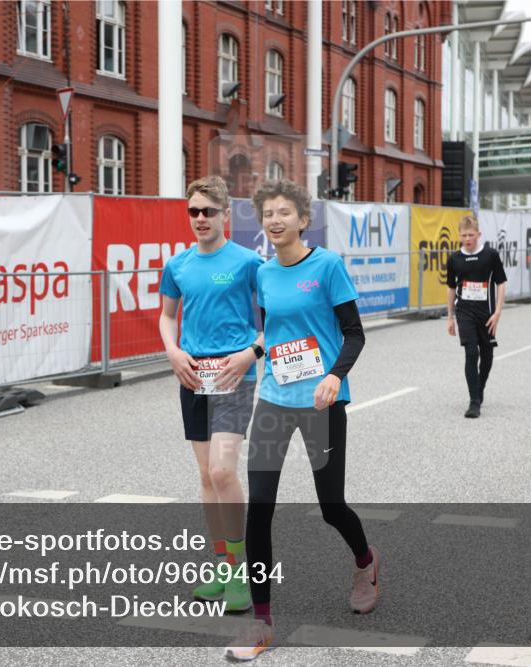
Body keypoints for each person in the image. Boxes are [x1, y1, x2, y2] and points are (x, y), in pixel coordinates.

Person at [225, 179, 379, 661]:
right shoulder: (266, 274)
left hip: (321, 400)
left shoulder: (328, 266)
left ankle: (366, 563)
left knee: (332, 505)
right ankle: (262, 623)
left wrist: (335, 376)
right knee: (261, 508)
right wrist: (251, 353)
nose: (274, 220)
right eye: (267, 213)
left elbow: (354, 334)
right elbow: (273, 331)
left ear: (303, 219)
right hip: (274, 398)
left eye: (284, 212)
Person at [158, 175, 264, 613]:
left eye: (208, 212)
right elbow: (167, 317)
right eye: (193, 212)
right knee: (205, 478)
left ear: (225, 216)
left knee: (223, 472)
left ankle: (239, 570)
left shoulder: (248, 262)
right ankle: (221, 565)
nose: (200, 219)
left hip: (233, 374)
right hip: (193, 376)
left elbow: (274, 318)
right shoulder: (177, 265)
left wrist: (251, 353)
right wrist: (173, 351)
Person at [446, 215, 507, 418]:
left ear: (479, 235)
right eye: (464, 235)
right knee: (471, 353)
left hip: (487, 313)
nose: (467, 239)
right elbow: (451, 288)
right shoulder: (454, 259)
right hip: (464, 312)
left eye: (471, 235)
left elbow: (500, 283)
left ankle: (479, 389)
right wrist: (450, 317)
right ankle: (474, 402)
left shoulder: (490, 255)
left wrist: (497, 312)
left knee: (487, 355)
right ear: (459, 235)